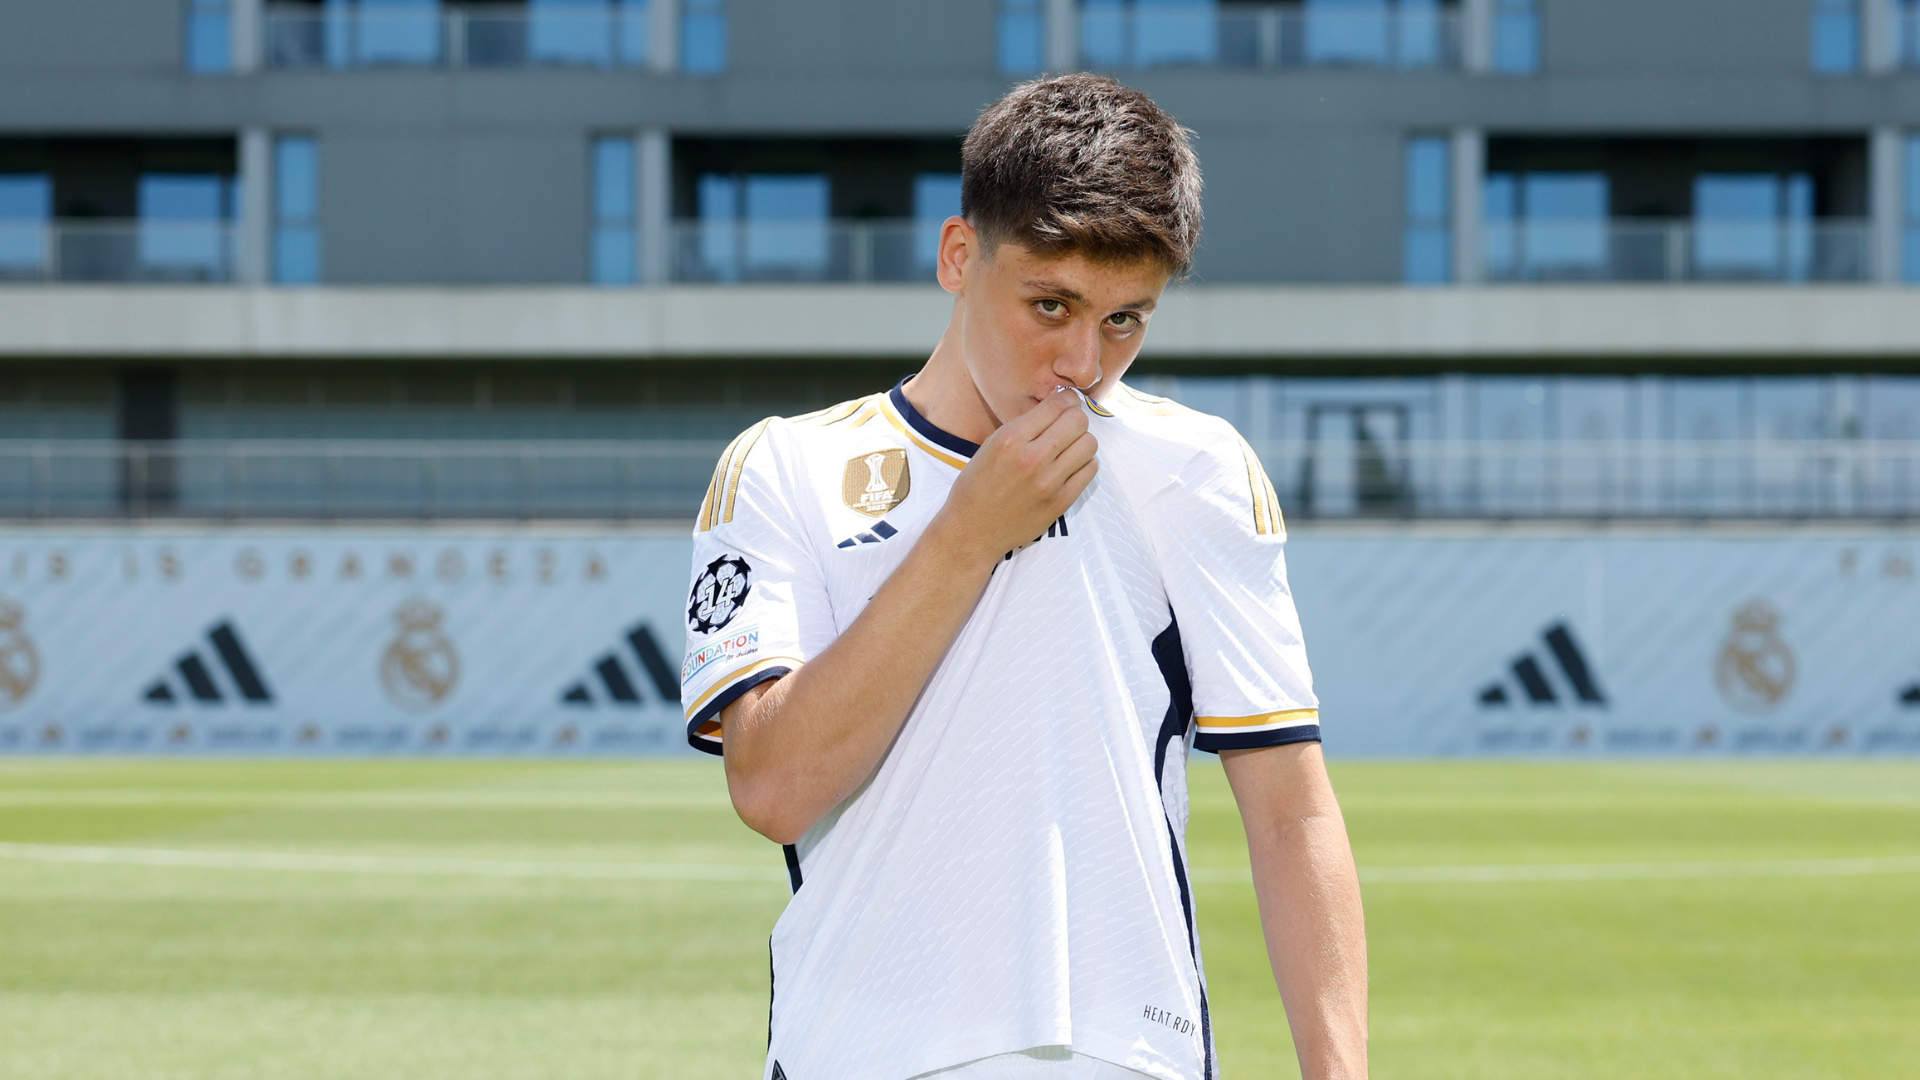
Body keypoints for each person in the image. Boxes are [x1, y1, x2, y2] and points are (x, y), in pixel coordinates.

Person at [680, 73, 1367, 1080]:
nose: (1084, 361)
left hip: (1131, 1055)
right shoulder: (788, 466)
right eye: (1052, 305)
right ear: (960, 256)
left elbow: (1291, 810)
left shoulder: (1198, 470)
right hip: (861, 1054)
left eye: (1126, 320)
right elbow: (773, 787)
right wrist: (969, 534)